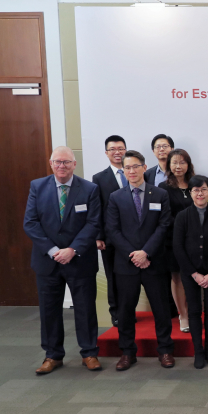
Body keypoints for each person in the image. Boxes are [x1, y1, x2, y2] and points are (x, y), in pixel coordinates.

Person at [24, 146, 102, 375]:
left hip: (80, 260)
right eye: (57, 162)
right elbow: (31, 223)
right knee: (49, 311)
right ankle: (53, 355)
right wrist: (52, 250)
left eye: (66, 162)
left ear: (74, 164)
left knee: (85, 309)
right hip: (47, 261)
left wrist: (72, 250)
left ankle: (89, 353)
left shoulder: (90, 189)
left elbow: (93, 223)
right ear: (51, 164)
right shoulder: (37, 186)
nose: (62, 166)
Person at [105, 150, 174, 371]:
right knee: (125, 311)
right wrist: (134, 255)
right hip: (126, 265)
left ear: (144, 168)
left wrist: (146, 252)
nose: (132, 171)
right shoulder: (116, 197)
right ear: (123, 171)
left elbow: (164, 225)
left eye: (136, 166)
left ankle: (165, 350)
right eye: (127, 167)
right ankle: (127, 352)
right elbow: (113, 230)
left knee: (161, 309)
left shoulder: (160, 194)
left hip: (155, 262)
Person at [172, 175, 208, 369]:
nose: (200, 193)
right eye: (196, 190)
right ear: (190, 193)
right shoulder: (182, 216)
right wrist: (194, 274)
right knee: (194, 311)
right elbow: (178, 247)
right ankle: (198, 352)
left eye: (203, 189)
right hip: (191, 272)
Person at [91, 135, 128, 327]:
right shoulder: (99, 178)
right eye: (113, 149)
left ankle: (129, 311)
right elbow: (97, 208)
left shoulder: (135, 172)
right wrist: (99, 236)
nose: (117, 152)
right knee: (113, 276)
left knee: (131, 277)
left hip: (134, 236)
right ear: (106, 153)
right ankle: (116, 313)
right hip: (110, 237)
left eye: (120, 148)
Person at [159, 148, 194, 332]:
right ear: (169, 165)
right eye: (174, 162)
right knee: (178, 278)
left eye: (182, 162)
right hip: (174, 240)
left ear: (188, 164)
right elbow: (164, 216)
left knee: (194, 277)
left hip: (196, 240)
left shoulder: (195, 183)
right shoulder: (164, 188)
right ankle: (183, 315)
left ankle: (193, 312)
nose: (178, 166)